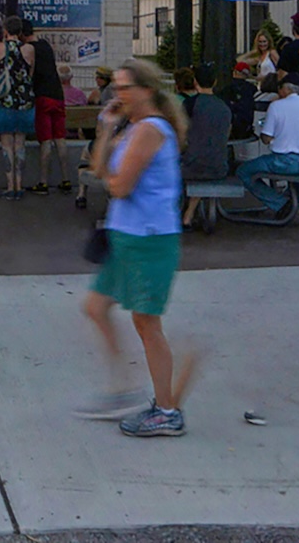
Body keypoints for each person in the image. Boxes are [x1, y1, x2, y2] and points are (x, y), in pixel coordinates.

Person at [76, 57, 192, 437]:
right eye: (115, 87)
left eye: (125, 87)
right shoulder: (133, 127)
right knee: (96, 307)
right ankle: (123, 390)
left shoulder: (151, 130)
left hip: (149, 238)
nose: (118, 93)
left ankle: (167, 410)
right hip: (126, 234)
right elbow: (99, 170)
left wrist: (111, 175)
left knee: (146, 323)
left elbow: (119, 186)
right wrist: (107, 127)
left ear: (146, 90)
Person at [236, 79, 299, 225]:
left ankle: (280, 203)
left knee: (243, 171)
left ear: (286, 89)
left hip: (284, 161)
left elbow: (266, 138)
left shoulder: (276, 106)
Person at [178, 63, 231, 228]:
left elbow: (180, 134)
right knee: (203, 158)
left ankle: (179, 213)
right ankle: (189, 213)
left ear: (195, 82)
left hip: (191, 166)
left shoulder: (189, 104)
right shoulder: (224, 107)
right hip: (219, 166)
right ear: (214, 82)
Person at [25, 18, 70, 194]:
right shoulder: (45, 45)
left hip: (42, 96)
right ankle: (66, 178)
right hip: (58, 95)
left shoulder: (29, 50)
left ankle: (43, 181)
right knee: (60, 138)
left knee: (45, 140)